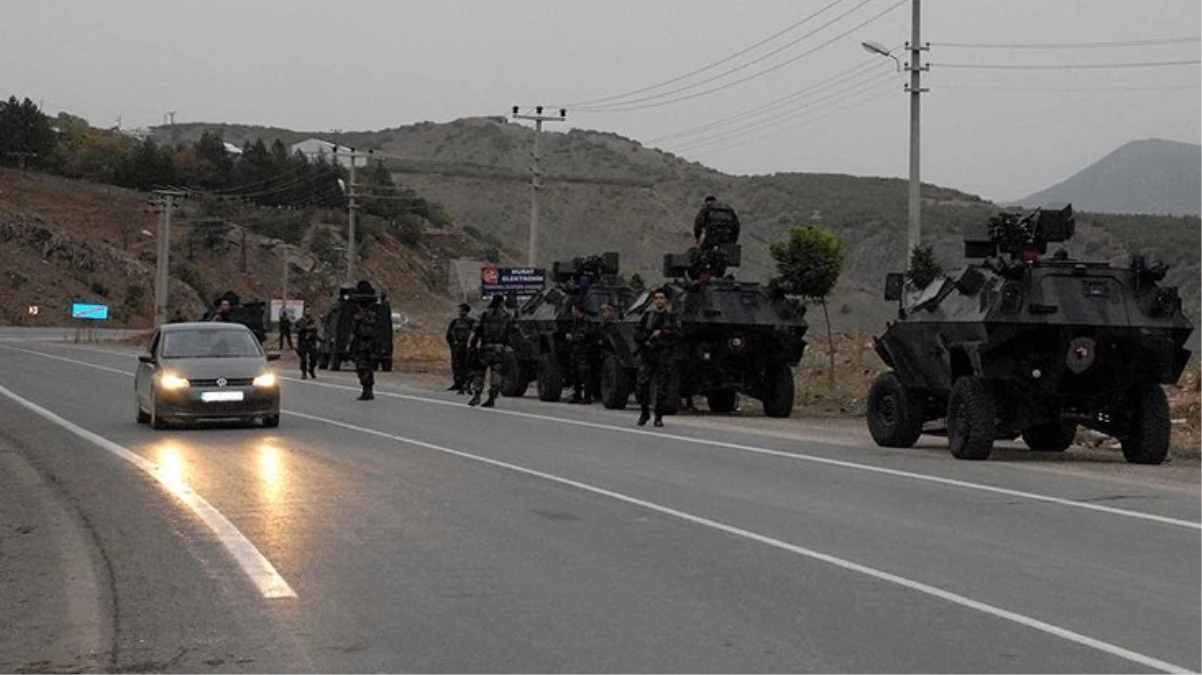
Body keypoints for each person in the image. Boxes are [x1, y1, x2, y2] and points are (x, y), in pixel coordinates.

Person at [635, 287, 679, 427]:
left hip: (663, 355)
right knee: (642, 385)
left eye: (661, 298)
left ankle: (658, 417)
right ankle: (644, 413)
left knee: (662, 389)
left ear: (666, 301)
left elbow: (677, 334)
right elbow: (637, 332)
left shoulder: (671, 317)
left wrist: (663, 334)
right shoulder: (648, 316)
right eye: (656, 298)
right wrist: (647, 337)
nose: (659, 300)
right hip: (649, 355)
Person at [468, 295, 513, 408]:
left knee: (479, 372)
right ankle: (492, 398)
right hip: (499, 348)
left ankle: (477, 395)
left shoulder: (484, 314)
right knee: (496, 373)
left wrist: (472, 345)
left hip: (485, 347)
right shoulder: (506, 316)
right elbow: (511, 331)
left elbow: (477, 330)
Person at [348, 283, 381, 401]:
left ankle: (367, 390)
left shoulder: (363, 316)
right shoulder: (370, 315)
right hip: (366, 345)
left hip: (364, 345)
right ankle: (367, 389)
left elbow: (358, 332)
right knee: (365, 368)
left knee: (363, 367)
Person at [566, 302, 596, 404]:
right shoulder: (577, 322)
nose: (573, 313)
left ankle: (587, 397)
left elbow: (585, 335)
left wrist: (573, 338)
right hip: (576, 351)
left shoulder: (587, 321)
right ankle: (577, 395)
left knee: (584, 375)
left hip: (584, 351)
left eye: (574, 311)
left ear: (579, 311)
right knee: (575, 374)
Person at [445, 303, 476, 394]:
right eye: (459, 310)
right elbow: (449, 334)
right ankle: (457, 383)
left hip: (467, 347)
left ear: (466, 311)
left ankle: (466, 384)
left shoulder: (471, 322)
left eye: (461, 310)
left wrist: (472, 345)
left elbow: (475, 333)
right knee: (456, 365)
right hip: (456, 347)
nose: (459, 312)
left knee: (467, 366)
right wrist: (452, 345)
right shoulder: (455, 322)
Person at [294, 310, 319, 380]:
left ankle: (311, 369)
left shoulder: (313, 320)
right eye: (307, 311)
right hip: (302, 341)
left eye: (309, 311)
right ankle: (304, 373)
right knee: (303, 358)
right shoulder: (299, 321)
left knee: (314, 358)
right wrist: (300, 329)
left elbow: (317, 329)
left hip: (311, 342)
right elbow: (294, 329)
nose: (308, 312)